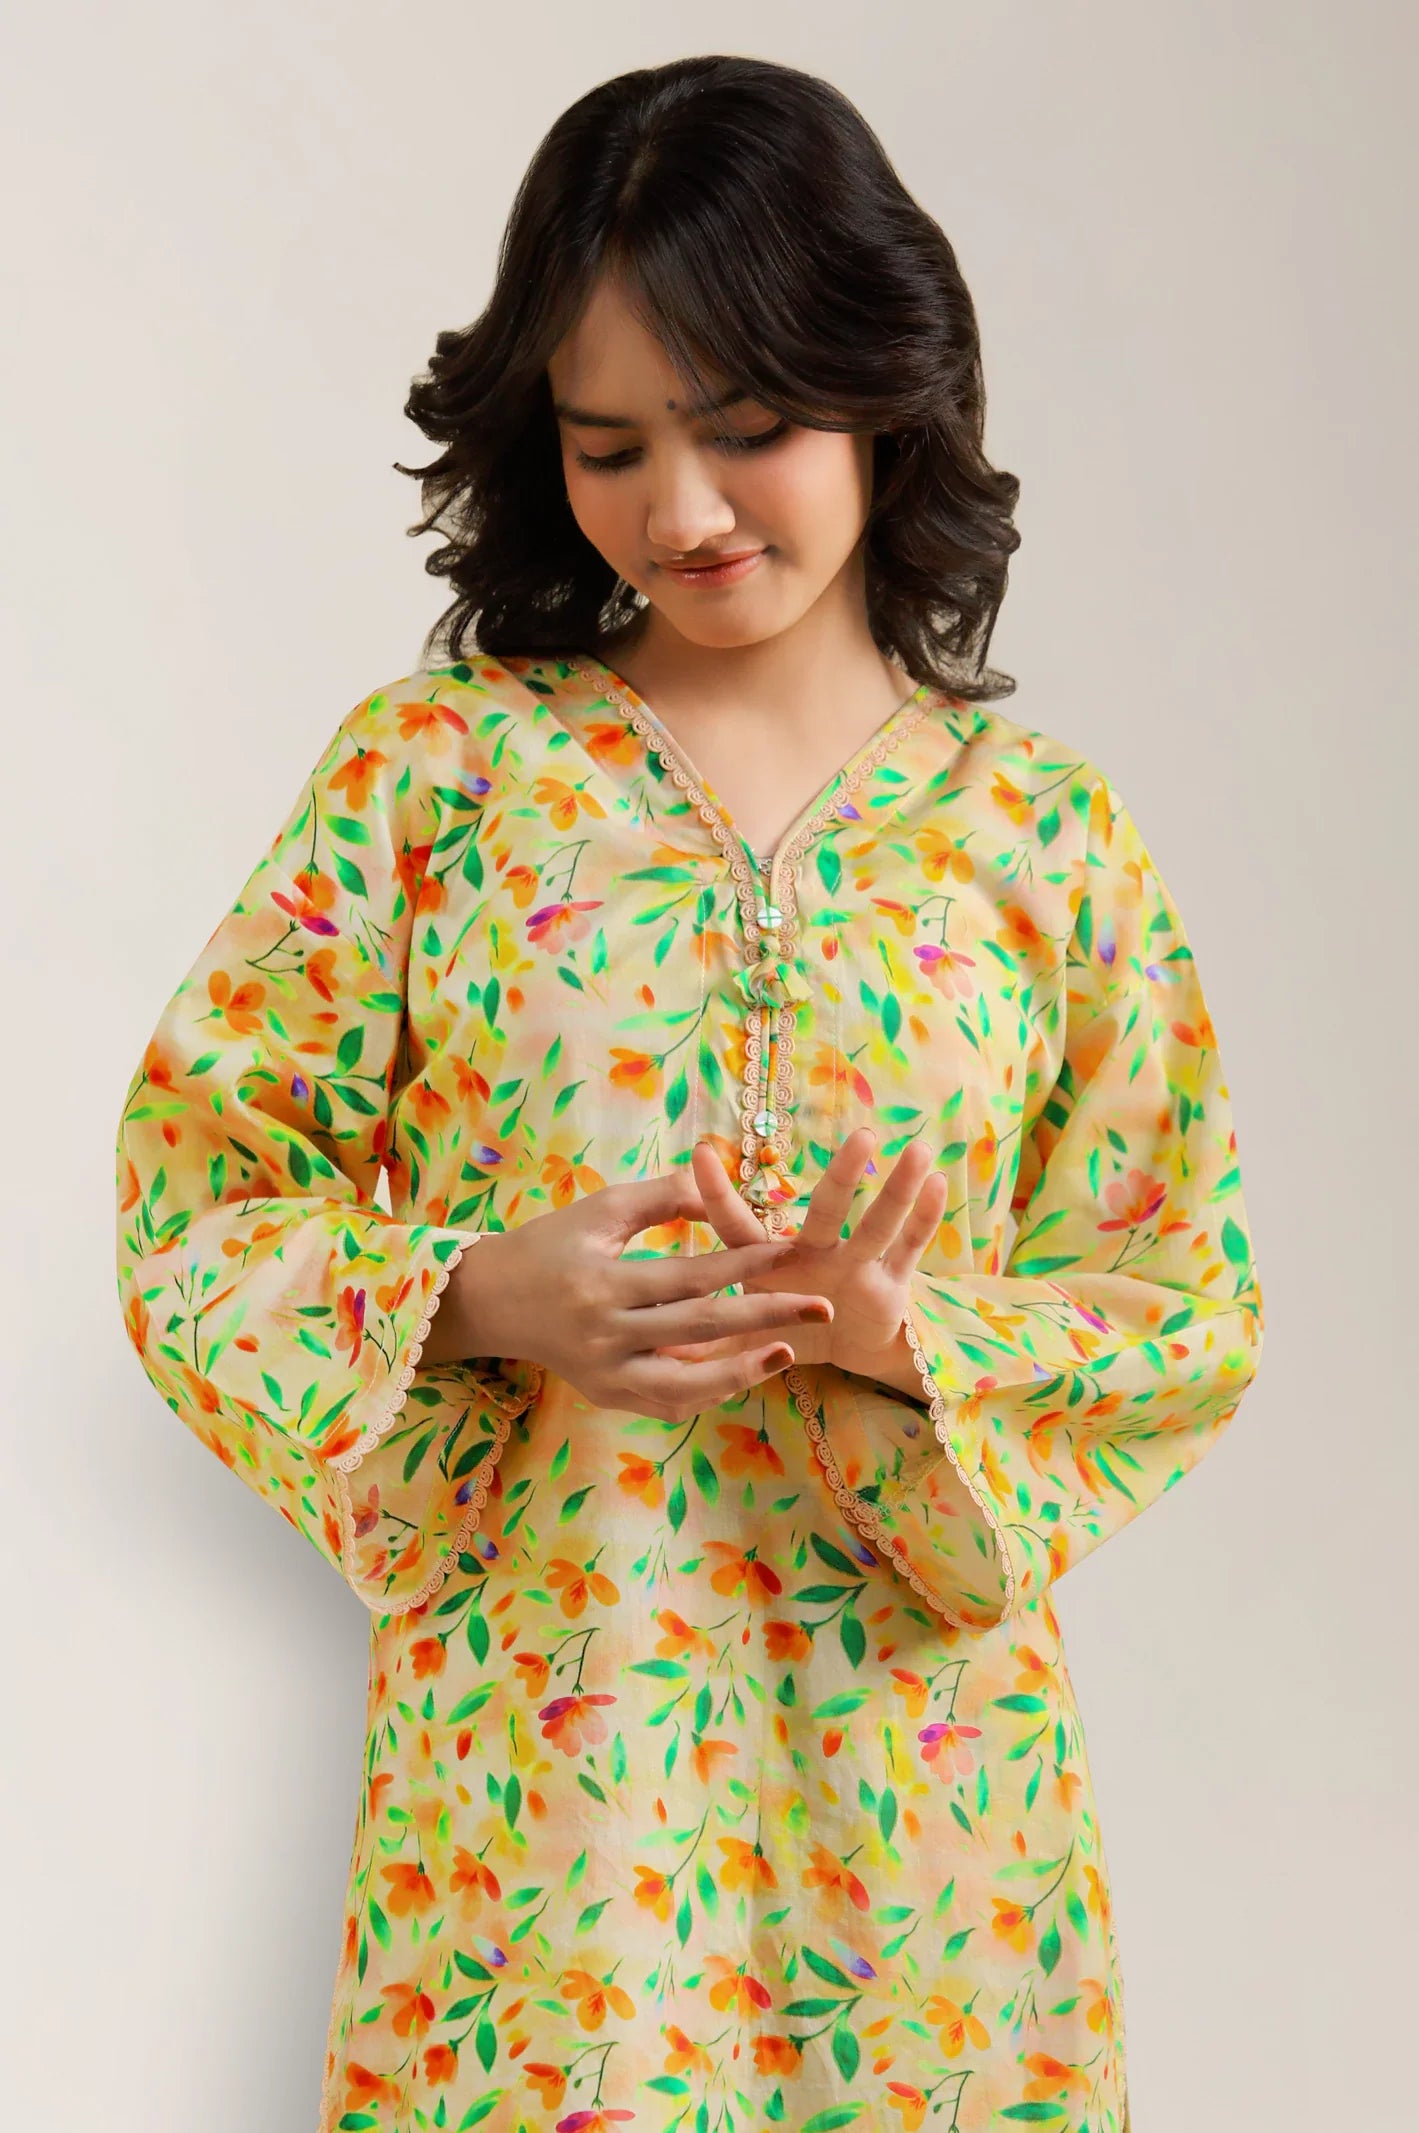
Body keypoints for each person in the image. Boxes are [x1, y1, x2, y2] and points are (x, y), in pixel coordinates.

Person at [113, 53, 1264, 2133]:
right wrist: (481, 1292)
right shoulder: (437, 781)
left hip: (929, 1837)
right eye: (610, 444)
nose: (683, 512)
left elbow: (1179, 1304)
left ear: (885, 391)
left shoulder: (1043, 839)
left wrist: (913, 1341)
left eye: (745, 426)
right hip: (542, 1826)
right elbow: (194, 1200)